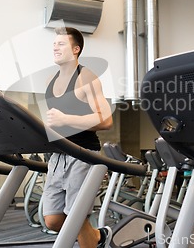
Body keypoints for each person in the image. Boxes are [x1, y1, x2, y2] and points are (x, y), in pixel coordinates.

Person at [42, 26, 113, 248]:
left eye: (61, 44)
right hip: (58, 157)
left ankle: (93, 239)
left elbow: (106, 120)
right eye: (54, 43)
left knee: (76, 217)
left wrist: (66, 120)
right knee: (52, 219)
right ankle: (99, 236)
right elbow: (56, 121)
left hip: (82, 155)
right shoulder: (50, 82)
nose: (55, 47)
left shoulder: (87, 77)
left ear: (76, 49)